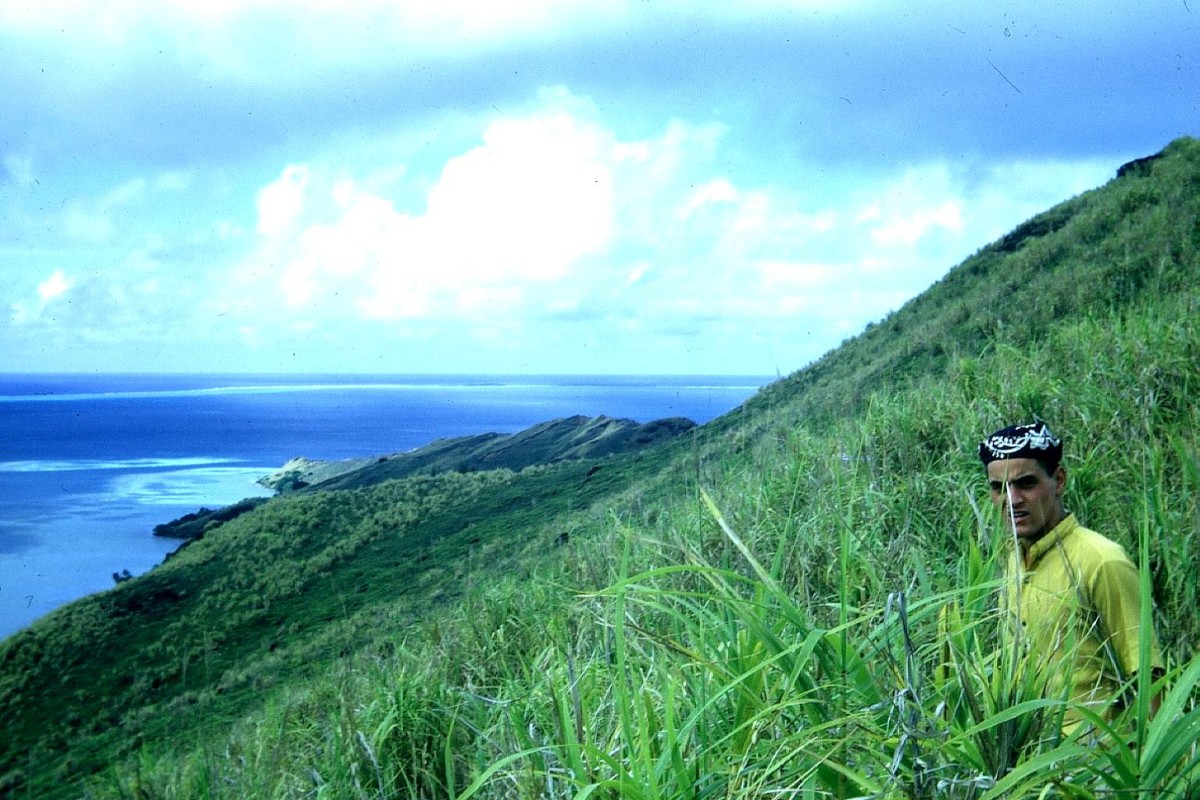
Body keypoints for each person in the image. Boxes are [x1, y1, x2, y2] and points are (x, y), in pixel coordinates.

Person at [978, 422, 1163, 734]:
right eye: (999, 488)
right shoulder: (1013, 563)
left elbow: (1148, 680)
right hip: (1033, 765)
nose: (1012, 499)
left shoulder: (1102, 561)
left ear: (1058, 480)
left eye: (1025, 483)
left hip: (1100, 768)